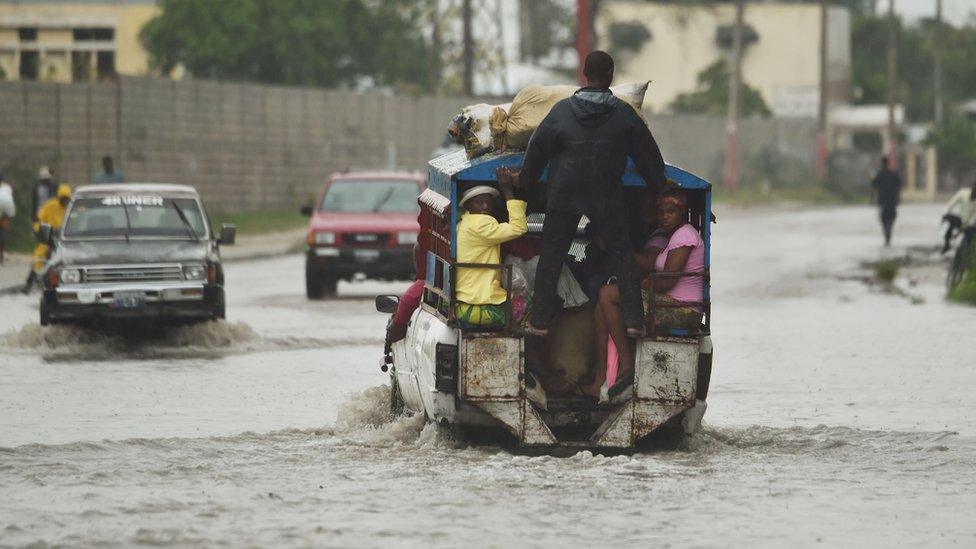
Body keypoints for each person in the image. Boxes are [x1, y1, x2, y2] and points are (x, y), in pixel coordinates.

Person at [515, 50, 667, 337]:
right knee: (622, 253)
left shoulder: (561, 112)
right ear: (610, 75)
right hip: (606, 194)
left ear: (584, 74)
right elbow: (648, 155)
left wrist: (524, 179)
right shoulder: (624, 115)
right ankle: (634, 321)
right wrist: (659, 184)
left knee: (553, 252)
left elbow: (536, 150)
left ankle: (539, 322)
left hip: (564, 194)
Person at [583, 189, 704, 397]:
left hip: (681, 307)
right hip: (666, 301)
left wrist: (639, 285)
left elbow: (668, 279)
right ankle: (601, 378)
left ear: (681, 212)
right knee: (602, 302)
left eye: (671, 211)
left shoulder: (685, 235)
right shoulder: (673, 236)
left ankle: (626, 362)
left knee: (608, 294)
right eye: (661, 212)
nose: (664, 216)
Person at [453, 171, 527, 329]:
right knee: (533, 303)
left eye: (488, 202)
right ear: (468, 206)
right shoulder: (481, 223)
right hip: (481, 300)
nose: (485, 206)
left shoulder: (463, 223)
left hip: (465, 297)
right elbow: (519, 228)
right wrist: (507, 191)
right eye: (478, 203)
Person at [24, 184, 71, 292]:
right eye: (62, 199)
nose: (64, 201)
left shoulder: (70, 208)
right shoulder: (50, 206)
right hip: (48, 237)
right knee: (39, 256)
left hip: (64, 239)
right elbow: (40, 219)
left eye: (66, 199)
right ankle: (29, 282)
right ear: (59, 197)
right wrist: (40, 231)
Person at [870, 156, 902, 247]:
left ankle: (887, 233)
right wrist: (899, 198)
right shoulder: (893, 174)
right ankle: (888, 232)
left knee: (884, 220)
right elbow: (898, 188)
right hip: (892, 201)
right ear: (888, 163)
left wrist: (871, 200)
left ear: (882, 163)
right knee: (890, 218)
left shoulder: (878, 174)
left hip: (882, 201)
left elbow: (873, 187)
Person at [941, 181, 976, 254]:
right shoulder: (962, 193)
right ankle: (947, 244)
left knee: (970, 237)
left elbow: (973, 217)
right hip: (961, 220)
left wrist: (965, 226)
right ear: (972, 188)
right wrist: (945, 214)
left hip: (970, 224)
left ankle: (967, 252)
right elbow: (950, 205)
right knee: (948, 219)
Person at [0, 171, 15, 264]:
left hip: (4, 216)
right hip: (4, 216)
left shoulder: (5, 189)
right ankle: (1, 255)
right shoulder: (6, 188)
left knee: (2, 235)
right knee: (2, 235)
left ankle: (1, 255)